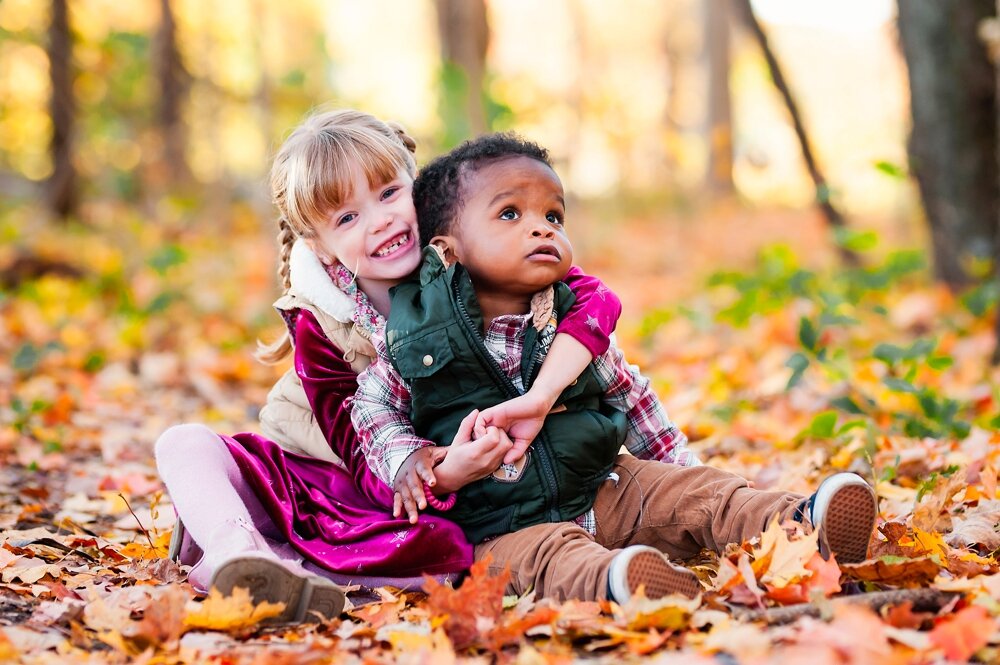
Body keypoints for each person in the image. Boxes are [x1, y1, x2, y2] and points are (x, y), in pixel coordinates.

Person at [351, 133, 879, 603]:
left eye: (553, 217)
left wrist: (680, 470)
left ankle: (802, 524)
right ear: (448, 250)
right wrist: (408, 461)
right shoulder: (414, 333)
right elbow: (373, 403)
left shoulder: (570, 318)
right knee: (550, 560)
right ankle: (622, 581)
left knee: (698, 496)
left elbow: (631, 393)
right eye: (510, 214)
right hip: (501, 524)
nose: (541, 230)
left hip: (605, 484)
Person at [154, 110, 624, 623]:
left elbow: (591, 297)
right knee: (184, 444)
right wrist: (440, 474)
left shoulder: (465, 255)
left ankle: (289, 570)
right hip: (336, 477)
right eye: (347, 218)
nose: (379, 221)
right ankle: (233, 553)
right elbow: (356, 451)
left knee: (452, 549)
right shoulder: (322, 321)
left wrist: (454, 470)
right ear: (319, 245)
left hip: (419, 502)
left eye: (388, 194)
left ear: (417, 188)